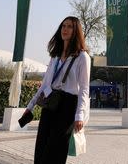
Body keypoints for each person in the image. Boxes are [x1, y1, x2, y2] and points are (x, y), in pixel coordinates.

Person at [23, 16, 90, 164]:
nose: (65, 29)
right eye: (63, 26)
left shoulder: (82, 57)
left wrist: (79, 115)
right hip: (50, 103)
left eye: (70, 27)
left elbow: (84, 89)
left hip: (68, 106)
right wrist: (30, 106)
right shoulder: (55, 56)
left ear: (76, 31)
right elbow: (45, 84)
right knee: (41, 146)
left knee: (56, 149)